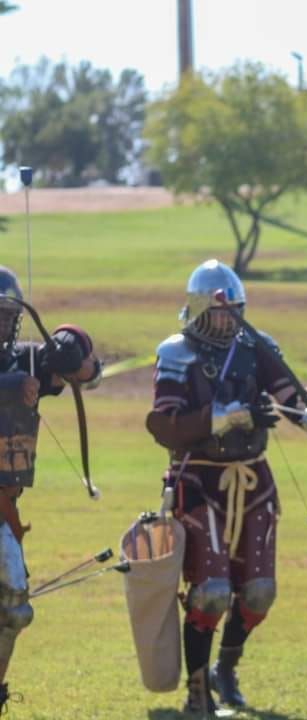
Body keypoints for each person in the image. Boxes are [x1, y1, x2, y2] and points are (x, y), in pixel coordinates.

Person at [145, 260, 307, 715]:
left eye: (233, 310)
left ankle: (225, 670)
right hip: (199, 480)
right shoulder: (175, 352)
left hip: (253, 481)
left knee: (258, 591)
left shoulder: (256, 345)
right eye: (218, 311)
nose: (227, 319)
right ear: (197, 309)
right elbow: (165, 425)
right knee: (211, 590)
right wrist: (231, 415)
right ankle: (197, 690)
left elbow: (289, 394)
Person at [0, 266, 102, 712]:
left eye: (8, 315)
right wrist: (11, 385)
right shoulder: (17, 373)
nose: (3, 324)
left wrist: (69, 344)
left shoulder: (23, 359)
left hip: (3, 506)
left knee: (15, 606)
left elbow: (89, 373)